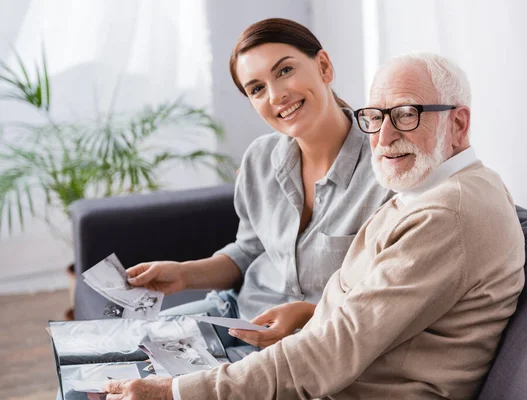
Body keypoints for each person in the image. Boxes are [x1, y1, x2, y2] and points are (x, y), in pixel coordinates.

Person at [104, 52, 526, 399]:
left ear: (458, 123)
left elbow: (333, 348)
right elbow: (342, 322)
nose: (383, 136)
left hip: (337, 383)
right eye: (376, 117)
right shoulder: (425, 189)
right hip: (305, 362)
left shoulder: (445, 212)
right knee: (105, 366)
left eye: (406, 114)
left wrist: (176, 393)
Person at [124, 17, 392, 357]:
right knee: (91, 370)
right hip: (235, 315)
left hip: (310, 347)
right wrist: (183, 275)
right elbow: (249, 252)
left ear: (323, 66)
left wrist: (308, 315)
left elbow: (384, 296)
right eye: (257, 88)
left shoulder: (385, 166)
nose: (277, 95)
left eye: (284, 71)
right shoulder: (259, 158)